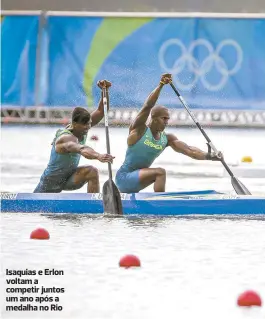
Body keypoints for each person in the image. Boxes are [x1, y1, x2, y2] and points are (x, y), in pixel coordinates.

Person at [115, 73, 223, 193]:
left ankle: (154, 203)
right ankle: (159, 206)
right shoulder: (139, 130)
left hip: (138, 179)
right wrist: (160, 85)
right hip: (124, 177)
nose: (167, 122)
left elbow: (189, 150)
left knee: (158, 173)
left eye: (168, 119)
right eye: (164, 118)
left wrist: (210, 156)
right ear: (154, 118)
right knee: (160, 172)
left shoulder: (167, 139)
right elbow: (147, 106)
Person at [34, 80, 114, 193]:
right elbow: (82, 149)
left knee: (92, 171)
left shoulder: (82, 127)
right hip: (50, 183)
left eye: (90, 123)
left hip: (68, 179)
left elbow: (101, 111)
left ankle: (93, 205)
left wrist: (104, 91)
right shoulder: (65, 139)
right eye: (85, 125)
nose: (88, 127)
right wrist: (98, 156)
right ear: (75, 124)